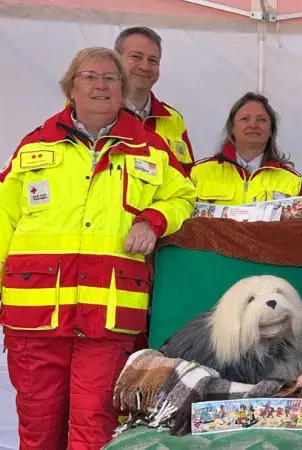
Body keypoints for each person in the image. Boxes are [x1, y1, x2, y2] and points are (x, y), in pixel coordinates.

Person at [0, 47, 196, 450]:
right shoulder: (33, 146)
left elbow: (184, 198)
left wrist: (153, 220)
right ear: (70, 87)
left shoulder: (151, 148)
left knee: (96, 429)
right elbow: (3, 219)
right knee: (37, 430)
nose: (101, 85)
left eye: (111, 78)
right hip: (34, 317)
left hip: (109, 317)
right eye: (90, 76)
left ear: (123, 89)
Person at [189, 92, 302, 204]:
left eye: (261, 120)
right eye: (245, 119)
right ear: (232, 127)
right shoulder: (199, 172)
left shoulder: (292, 180)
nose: (253, 125)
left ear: (271, 130)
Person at [115, 26, 195, 166]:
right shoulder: (96, 113)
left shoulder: (173, 119)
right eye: (136, 57)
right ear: (116, 60)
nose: (145, 67)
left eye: (152, 60)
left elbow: (187, 177)